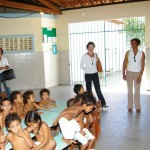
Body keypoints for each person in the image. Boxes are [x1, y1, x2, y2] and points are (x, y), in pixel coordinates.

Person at [80, 42, 107, 108]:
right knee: (89, 90)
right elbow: (81, 65)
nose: (91, 48)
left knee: (98, 89)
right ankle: (90, 104)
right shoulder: (84, 56)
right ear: (87, 48)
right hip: (88, 74)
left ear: (94, 47)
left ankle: (103, 103)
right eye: (89, 47)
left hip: (95, 74)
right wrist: (86, 68)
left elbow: (97, 63)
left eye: (92, 47)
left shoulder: (95, 55)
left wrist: (98, 60)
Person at [123, 38, 145, 112]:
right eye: (132, 43)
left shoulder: (142, 53)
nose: (133, 45)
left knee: (137, 90)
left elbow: (143, 65)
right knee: (129, 90)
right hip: (129, 72)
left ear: (138, 44)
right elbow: (124, 63)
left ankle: (138, 107)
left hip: (137, 73)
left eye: (134, 43)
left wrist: (140, 76)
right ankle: (130, 106)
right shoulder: (128, 53)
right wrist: (123, 73)